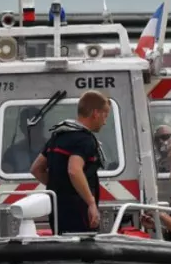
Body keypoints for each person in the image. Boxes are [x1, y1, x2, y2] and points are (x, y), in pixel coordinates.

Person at [30, 91, 111, 234]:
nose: (104, 122)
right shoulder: (85, 140)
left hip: (57, 211)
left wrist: (60, 187)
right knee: (84, 252)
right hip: (79, 212)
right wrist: (91, 203)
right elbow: (74, 170)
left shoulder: (58, 136)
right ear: (95, 113)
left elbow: (36, 169)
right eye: (105, 116)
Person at [1, 108, 48, 174]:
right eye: (29, 127)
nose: (33, 130)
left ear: (42, 125)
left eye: (37, 126)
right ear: (22, 128)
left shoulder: (54, 149)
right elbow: (5, 177)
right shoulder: (11, 153)